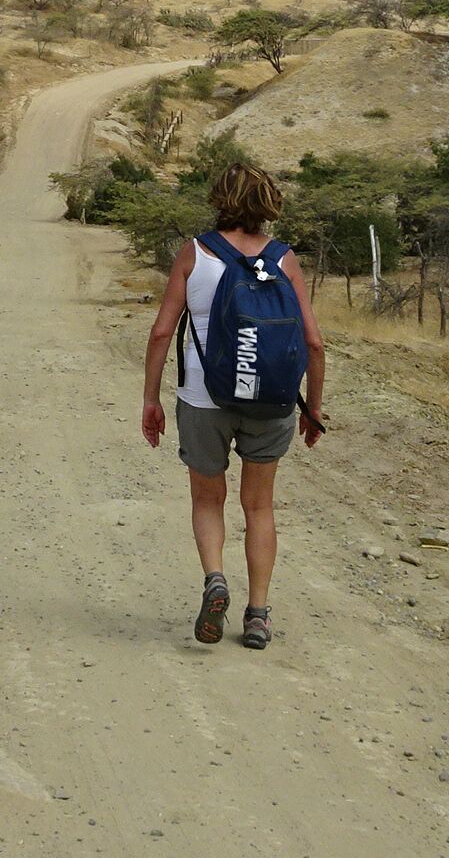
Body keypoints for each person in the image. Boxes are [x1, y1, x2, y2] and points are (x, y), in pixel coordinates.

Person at [139, 161, 327, 649]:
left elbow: (161, 333)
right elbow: (314, 342)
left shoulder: (194, 254)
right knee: (259, 506)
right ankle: (258, 615)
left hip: (204, 399)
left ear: (218, 198)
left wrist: (151, 399)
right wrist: (313, 409)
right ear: (268, 203)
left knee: (208, 499)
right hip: (271, 400)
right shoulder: (285, 259)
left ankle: (216, 580)